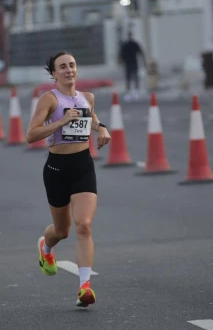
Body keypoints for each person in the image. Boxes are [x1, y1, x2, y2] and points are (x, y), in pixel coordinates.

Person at [26, 52, 111, 307]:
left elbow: (90, 117)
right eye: (62, 67)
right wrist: (61, 121)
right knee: (61, 231)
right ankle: (46, 247)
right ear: (54, 74)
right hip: (56, 169)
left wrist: (102, 127)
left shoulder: (87, 98)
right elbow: (31, 135)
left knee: (83, 225)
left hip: (83, 166)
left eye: (72, 65)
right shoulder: (49, 100)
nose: (68, 70)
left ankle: (84, 286)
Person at [119, 29, 145, 101]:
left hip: (134, 63)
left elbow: (140, 53)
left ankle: (136, 91)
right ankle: (129, 92)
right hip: (128, 64)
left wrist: (143, 61)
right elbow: (121, 54)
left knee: (135, 77)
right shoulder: (126, 45)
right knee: (128, 78)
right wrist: (121, 61)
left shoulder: (134, 44)